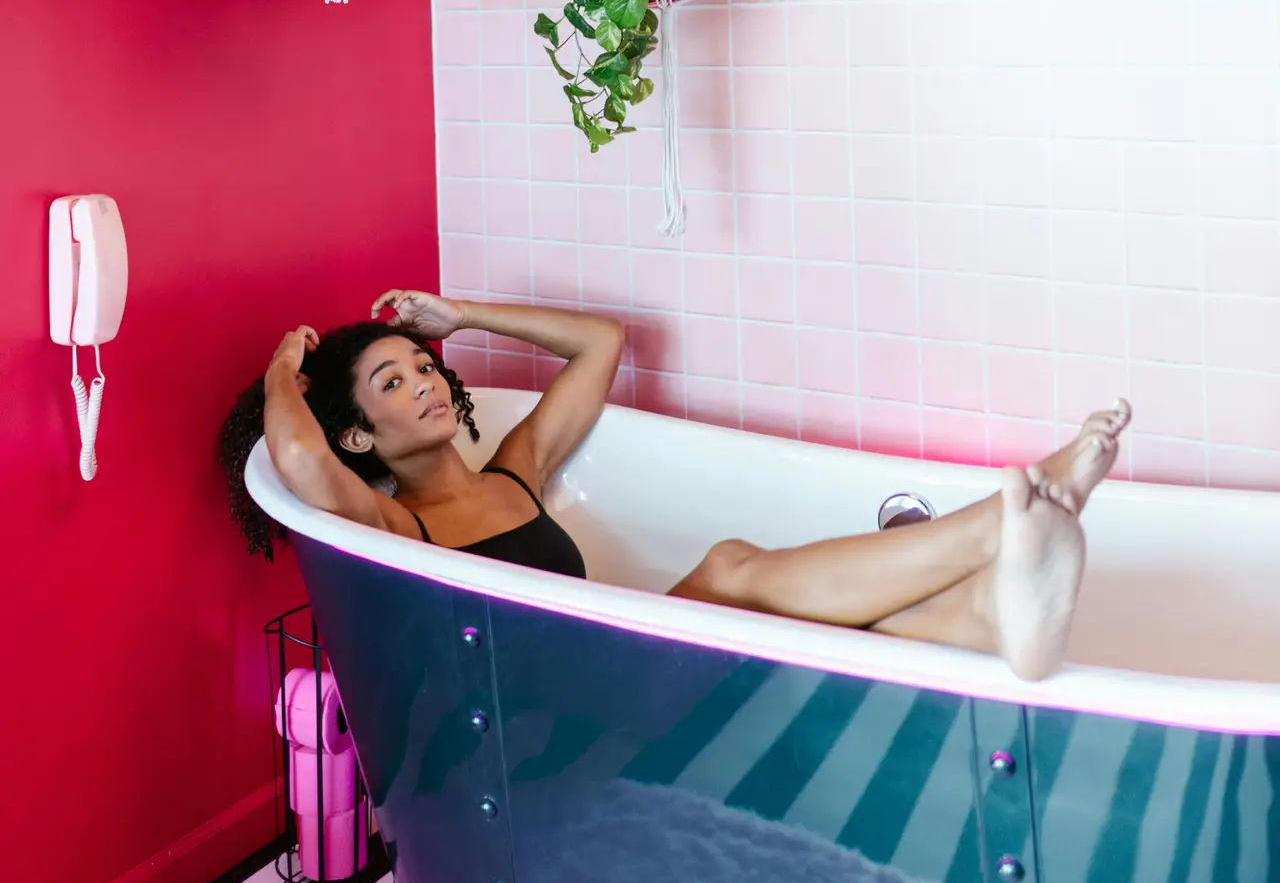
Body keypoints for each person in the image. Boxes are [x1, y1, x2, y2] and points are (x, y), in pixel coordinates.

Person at [220, 290, 1130, 682]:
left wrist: (466, 315)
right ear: (356, 434)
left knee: (758, 585)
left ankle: (988, 613)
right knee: (732, 566)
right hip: (552, 724)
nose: (423, 380)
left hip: (615, 681)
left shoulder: (515, 471)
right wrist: (285, 366)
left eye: (423, 364)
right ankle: (1002, 526)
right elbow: (298, 462)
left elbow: (601, 343)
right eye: (392, 384)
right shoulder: (394, 525)